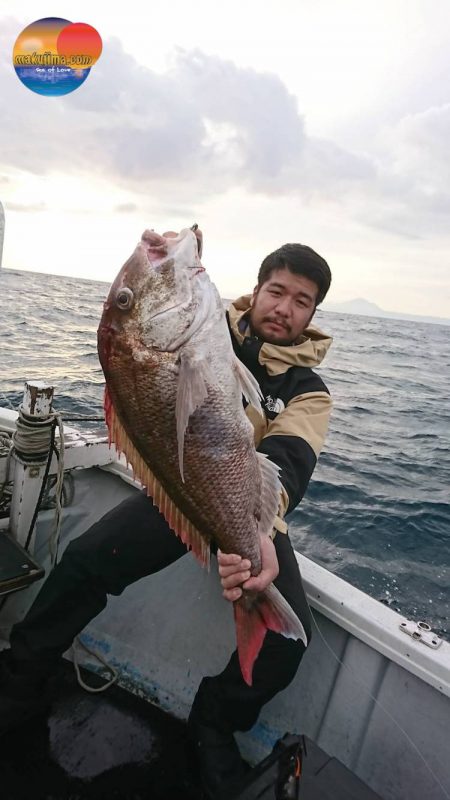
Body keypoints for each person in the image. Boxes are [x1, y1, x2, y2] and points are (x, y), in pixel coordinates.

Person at [0, 234, 333, 800]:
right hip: (179, 489)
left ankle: (214, 722)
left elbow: (291, 462)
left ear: (313, 314)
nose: (285, 308)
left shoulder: (310, 391)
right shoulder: (207, 326)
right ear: (254, 291)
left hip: (248, 512)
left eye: (302, 301)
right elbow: (136, 362)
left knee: (288, 642)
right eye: (276, 291)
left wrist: (260, 535)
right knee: (85, 561)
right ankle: (20, 680)